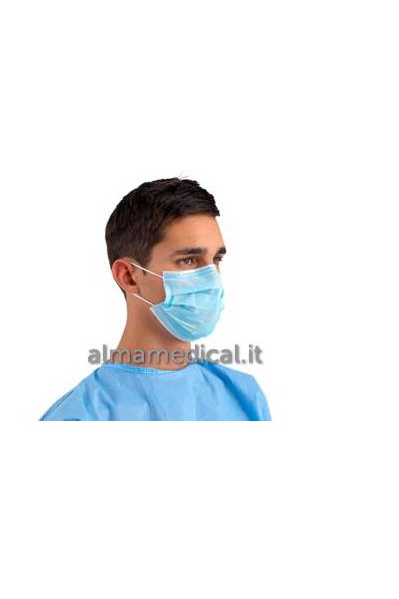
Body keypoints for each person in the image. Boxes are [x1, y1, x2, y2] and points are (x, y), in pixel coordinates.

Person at [40, 178, 271, 421]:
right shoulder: (77, 417)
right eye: (188, 260)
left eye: (216, 260)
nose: (212, 279)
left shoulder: (244, 397)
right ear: (129, 276)